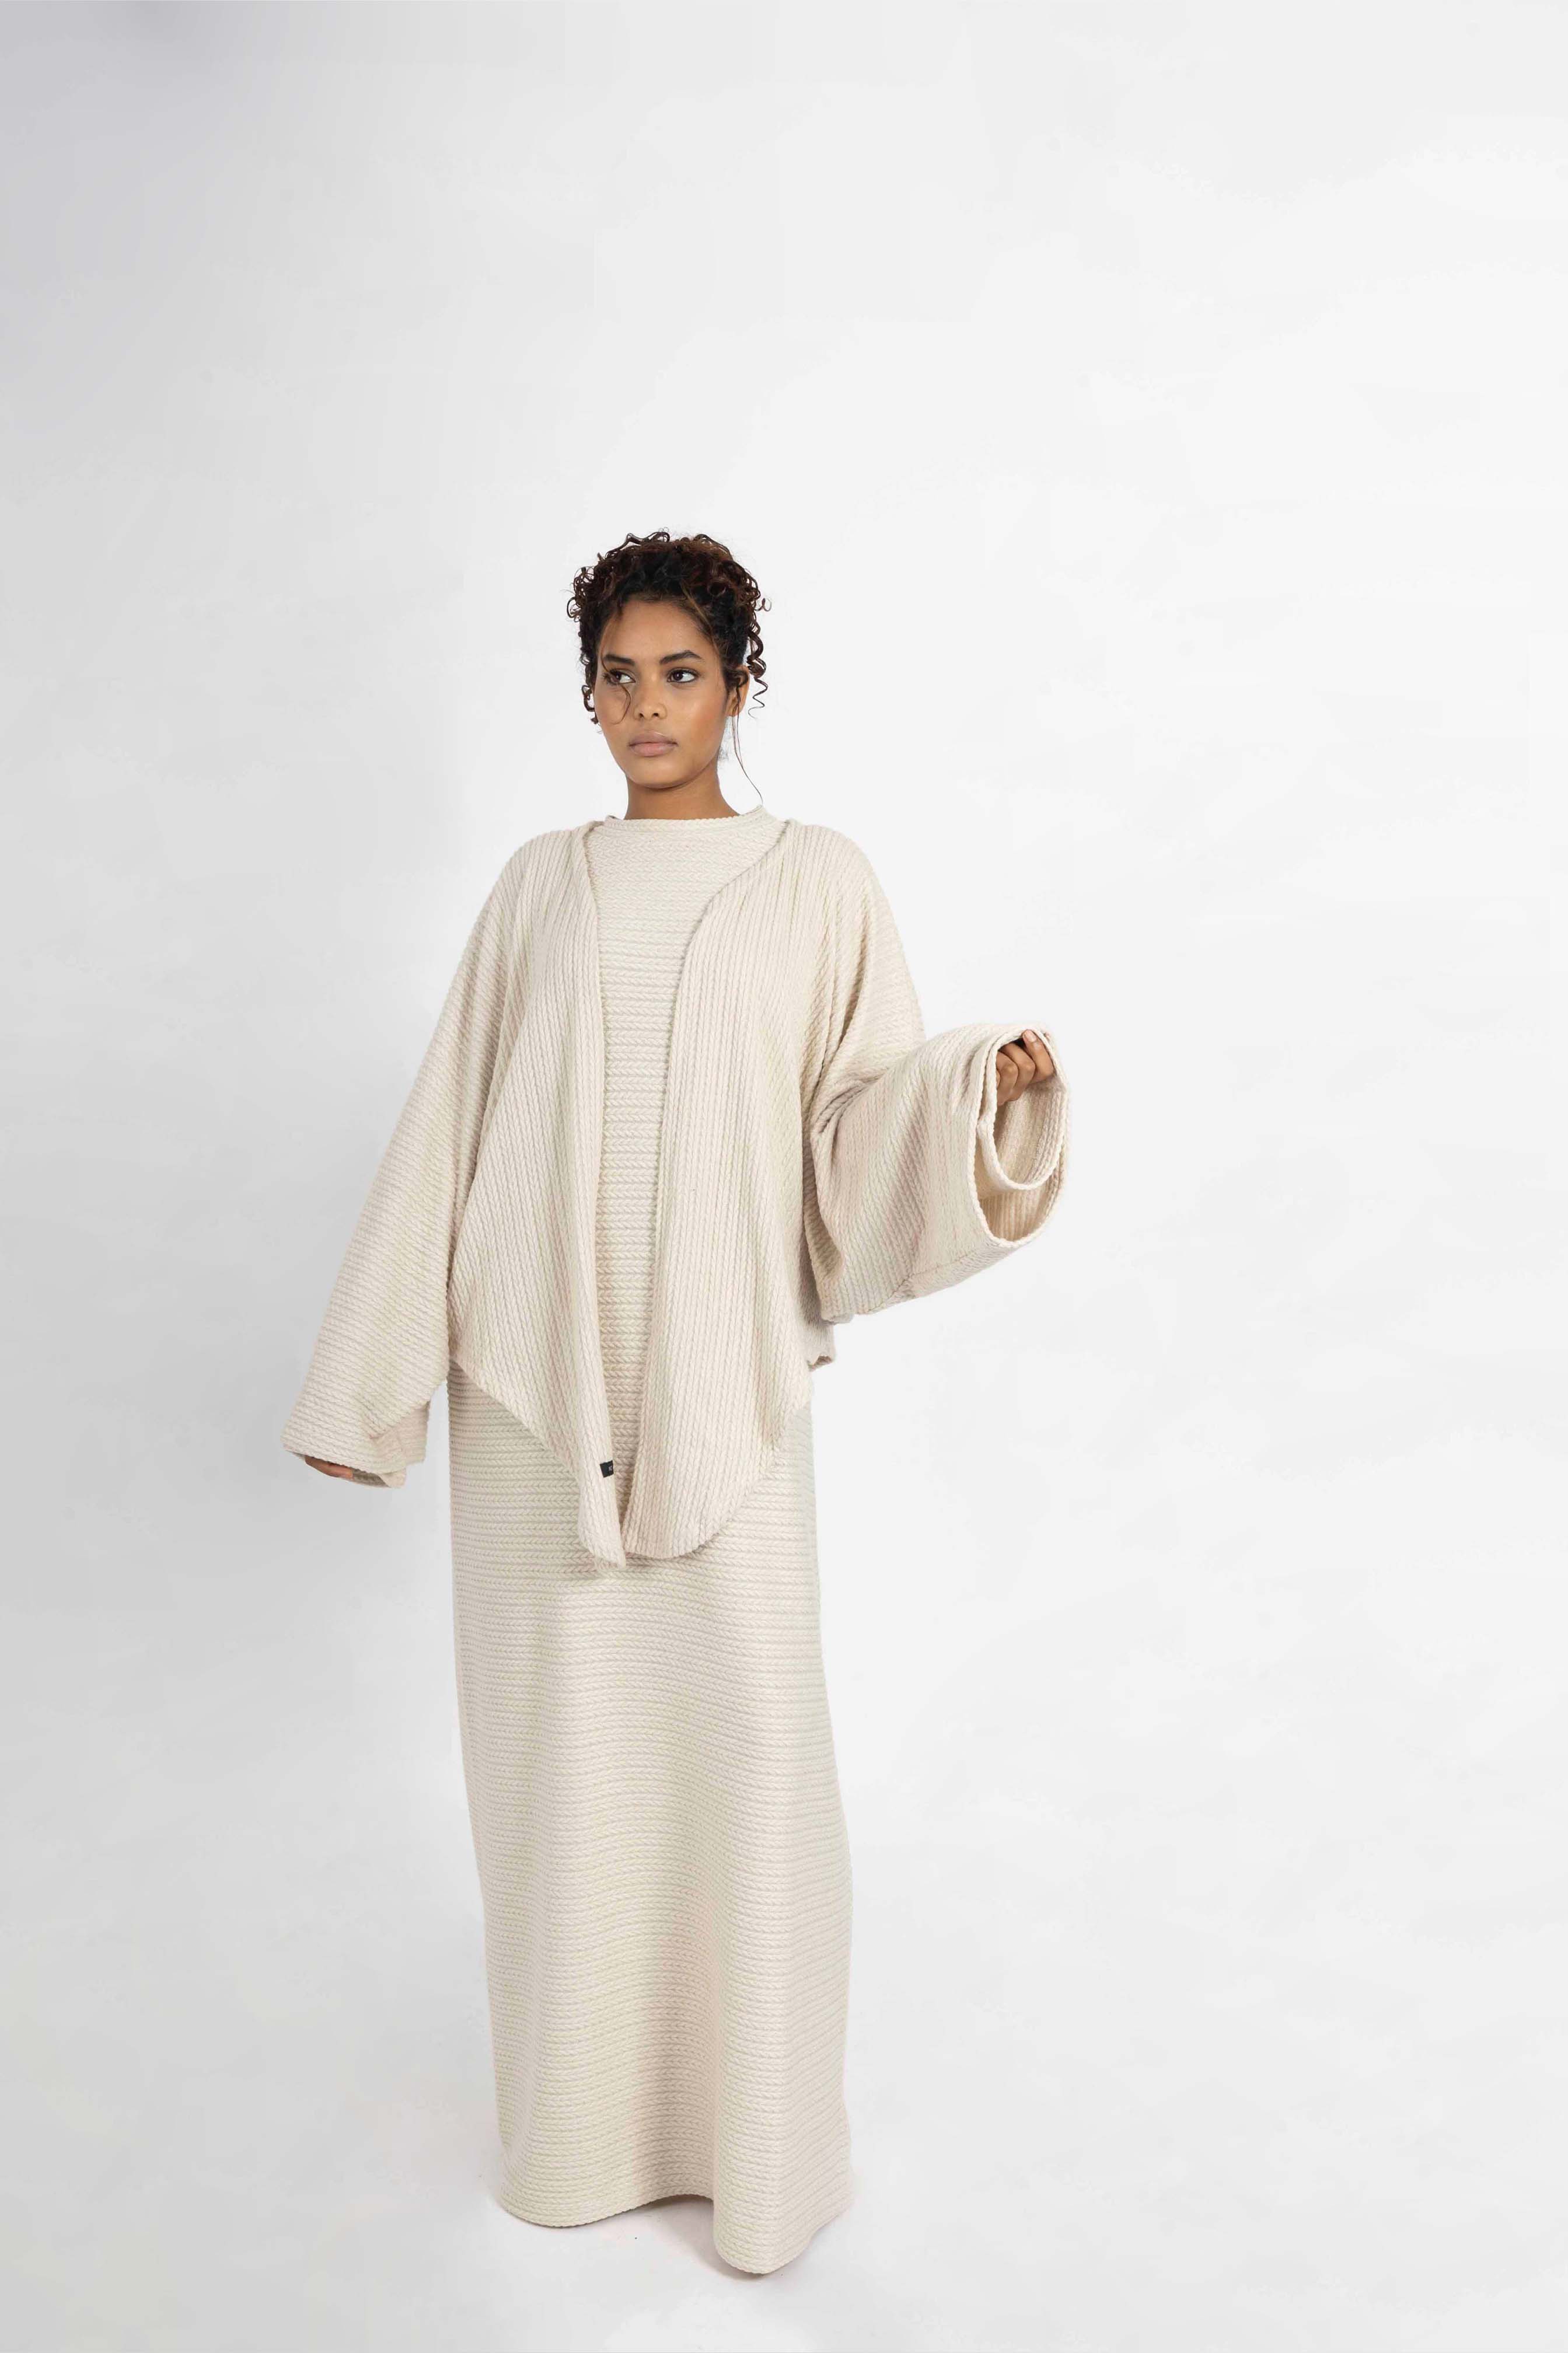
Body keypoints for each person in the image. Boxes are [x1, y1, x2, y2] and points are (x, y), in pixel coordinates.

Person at [282, 528, 1070, 2274]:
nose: (649, 707)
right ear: (587, 695)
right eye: (619, 677)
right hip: (530, 1407)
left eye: (682, 674)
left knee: (753, 1758)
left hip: (729, 1392)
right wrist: (367, 1390)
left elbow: (854, 1126)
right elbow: (448, 1127)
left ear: (738, 686)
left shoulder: (821, 883)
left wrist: (970, 1093)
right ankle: (579, 2145)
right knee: (562, 1777)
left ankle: (759, 2158)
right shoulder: (536, 890)